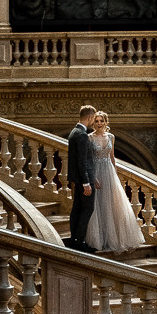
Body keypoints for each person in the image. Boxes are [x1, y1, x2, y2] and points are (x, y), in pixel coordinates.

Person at [85, 111, 146, 253]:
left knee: (112, 205)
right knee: (98, 205)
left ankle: (114, 239)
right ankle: (99, 240)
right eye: (97, 121)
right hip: (96, 171)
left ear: (106, 122)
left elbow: (112, 157)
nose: (99, 123)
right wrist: (93, 178)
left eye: (102, 121)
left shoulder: (111, 137)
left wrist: (115, 176)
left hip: (109, 172)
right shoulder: (89, 138)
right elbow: (88, 160)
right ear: (93, 123)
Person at [66, 105, 98, 253]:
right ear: (90, 117)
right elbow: (82, 161)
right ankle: (80, 241)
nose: (93, 122)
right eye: (93, 118)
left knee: (77, 208)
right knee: (87, 209)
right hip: (84, 180)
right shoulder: (82, 135)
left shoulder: (74, 132)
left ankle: (74, 240)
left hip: (77, 179)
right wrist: (86, 182)